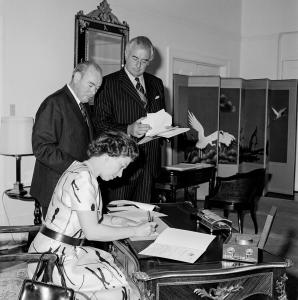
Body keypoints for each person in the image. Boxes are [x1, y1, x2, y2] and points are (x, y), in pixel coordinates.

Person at [28, 131, 156, 300]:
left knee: (111, 262)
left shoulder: (78, 169)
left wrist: (122, 221)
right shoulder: (83, 179)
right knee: (131, 289)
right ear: (107, 157)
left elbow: (90, 218)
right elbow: (92, 232)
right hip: (52, 263)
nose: (121, 174)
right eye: (122, 166)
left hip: (51, 252)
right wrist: (135, 231)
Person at [94, 36, 165, 204]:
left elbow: (162, 116)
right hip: (121, 166)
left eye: (144, 60)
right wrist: (128, 129)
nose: (139, 64)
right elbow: (100, 124)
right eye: (135, 58)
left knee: (144, 216)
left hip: (149, 165)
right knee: (119, 217)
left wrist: (166, 129)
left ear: (150, 61)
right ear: (126, 53)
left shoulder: (157, 83)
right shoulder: (107, 84)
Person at [30, 61, 102, 217]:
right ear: (76, 77)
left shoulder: (83, 106)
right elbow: (42, 148)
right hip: (55, 188)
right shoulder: (54, 103)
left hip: (73, 187)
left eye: (96, 88)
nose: (93, 92)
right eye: (90, 85)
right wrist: (77, 167)